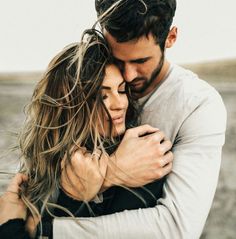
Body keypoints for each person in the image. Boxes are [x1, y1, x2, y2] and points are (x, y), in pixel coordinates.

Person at [53, 0, 227, 238]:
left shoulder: (198, 104)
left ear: (171, 37)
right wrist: (113, 172)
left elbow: (177, 228)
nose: (128, 75)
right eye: (118, 58)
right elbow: (40, 175)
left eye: (140, 61)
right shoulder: (81, 80)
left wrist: (51, 230)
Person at [0, 28, 172, 238]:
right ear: (70, 105)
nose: (120, 104)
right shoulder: (43, 161)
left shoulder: (143, 155)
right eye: (101, 96)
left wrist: (19, 228)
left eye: (120, 90)